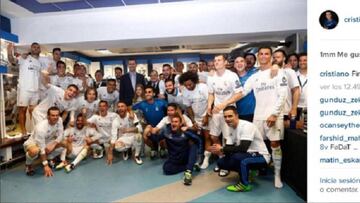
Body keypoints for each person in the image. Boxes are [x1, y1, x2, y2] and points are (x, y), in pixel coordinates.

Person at [240, 47, 288, 188]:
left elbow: (283, 94)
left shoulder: (279, 72)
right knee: (256, 145)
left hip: (274, 115)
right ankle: (255, 170)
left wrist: (274, 114)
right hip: (258, 116)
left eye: (266, 54)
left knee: (275, 144)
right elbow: (242, 92)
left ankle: (277, 175)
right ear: (257, 56)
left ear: (271, 56)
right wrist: (224, 102)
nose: (263, 56)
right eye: (261, 54)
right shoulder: (254, 76)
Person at [210, 106, 270, 192]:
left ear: (237, 116)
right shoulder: (231, 128)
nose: (227, 119)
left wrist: (222, 149)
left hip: (261, 156)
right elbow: (229, 148)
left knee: (238, 157)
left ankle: (244, 185)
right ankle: (249, 172)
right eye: (225, 117)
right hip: (246, 155)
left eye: (230, 116)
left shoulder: (246, 126)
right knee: (221, 162)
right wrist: (219, 152)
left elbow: (243, 148)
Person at [207, 54, 243, 176]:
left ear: (225, 62)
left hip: (229, 111)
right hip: (216, 111)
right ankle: (221, 159)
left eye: (219, 60)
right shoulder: (211, 77)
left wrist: (225, 104)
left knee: (228, 139)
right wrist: (209, 106)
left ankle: (227, 164)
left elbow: (239, 94)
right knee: (213, 137)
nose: (216, 62)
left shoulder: (232, 75)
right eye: (215, 60)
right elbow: (211, 94)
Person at [7, 42, 41, 136]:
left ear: (39, 50)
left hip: (35, 90)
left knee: (34, 112)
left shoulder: (39, 62)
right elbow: (12, 60)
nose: (36, 48)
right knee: (23, 110)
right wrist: (9, 51)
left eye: (37, 47)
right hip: (24, 89)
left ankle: (34, 130)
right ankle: (23, 131)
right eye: (34, 47)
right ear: (31, 48)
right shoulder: (24, 58)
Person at [158, 114, 202, 185]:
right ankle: (190, 166)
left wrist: (199, 155)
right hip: (175, 158)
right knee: (166, 169)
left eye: (176, 122)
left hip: (186, 156)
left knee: (193, 145)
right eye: (172, 122)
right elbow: (156, 138)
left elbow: (199, 140)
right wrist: (149, 133)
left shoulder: (186, 132)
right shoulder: (166, 132)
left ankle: (188, 172)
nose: (173, 123)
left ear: (180, 123)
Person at [179, 71, 211, 169]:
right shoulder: (184, 91)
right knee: (197, 137)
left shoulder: (203, 87)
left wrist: (206, 116)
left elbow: (210, 102)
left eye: (190, 84)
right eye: (186, 85)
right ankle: (198, 157)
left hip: (208, 115)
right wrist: (193, 121)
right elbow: (188, 107)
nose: (188, 87)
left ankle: (206, 159)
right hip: (196, 117)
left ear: (195, 81)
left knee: (208, 137)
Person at [23, 106, 66, 177]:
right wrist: (45, 166)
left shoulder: (60, 120)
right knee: (35, 151)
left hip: (48, 142)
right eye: (52, 115)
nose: (55, 117)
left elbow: (61, 134)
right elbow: (42, 148)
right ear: (48, 116)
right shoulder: (41, 128)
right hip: (34, 143)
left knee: (64, 143)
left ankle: (50, 158)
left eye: (57, 115)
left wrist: (54, 144)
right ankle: (28, 165)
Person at [133, 86, 167, 159]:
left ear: (153, 94)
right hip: (150, 127)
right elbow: (130, 108)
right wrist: (130, 112)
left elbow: (173, 108)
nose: (147, 94)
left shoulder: (161, 102)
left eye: (149, 92)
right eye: (146, 92)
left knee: (164, 139)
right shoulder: (142, 104)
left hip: (161, 127)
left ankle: (162, 148)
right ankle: (154, 148)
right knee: (145, 135)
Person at [107, 101, 143, 165]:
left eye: (122, 106)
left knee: (139, 136)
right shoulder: (115, 121)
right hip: (124, 138)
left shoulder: (132, 115)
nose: (120, 108)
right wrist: (110, 153)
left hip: (133, 136)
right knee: (117, 146)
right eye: (119, 107)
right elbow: (114, 137)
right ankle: (126, 150)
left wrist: (129, 130)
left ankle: (136, 155)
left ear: (126, 108)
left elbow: (140, 129)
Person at [273, 49, 300, 120]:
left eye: (278, 57)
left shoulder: (289, 72)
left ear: (284, 58)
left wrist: (294, 108)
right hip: (272, 111)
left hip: (286, 111)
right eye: (274, 57)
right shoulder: (270, 72)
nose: (275, 59)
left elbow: (296, 91)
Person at [233, 55, 257, 122]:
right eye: (237, 62)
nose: (239, 64)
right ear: (234, 65)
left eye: (242, 61)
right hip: (237, 113)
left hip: (252, 112)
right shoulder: (232, 77)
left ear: (245, 64)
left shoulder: (254, 75)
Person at [296, 53, 308, 120]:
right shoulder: (293, 76)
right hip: (296, 108)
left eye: (305, 60)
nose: (302, 62)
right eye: (300, 60)